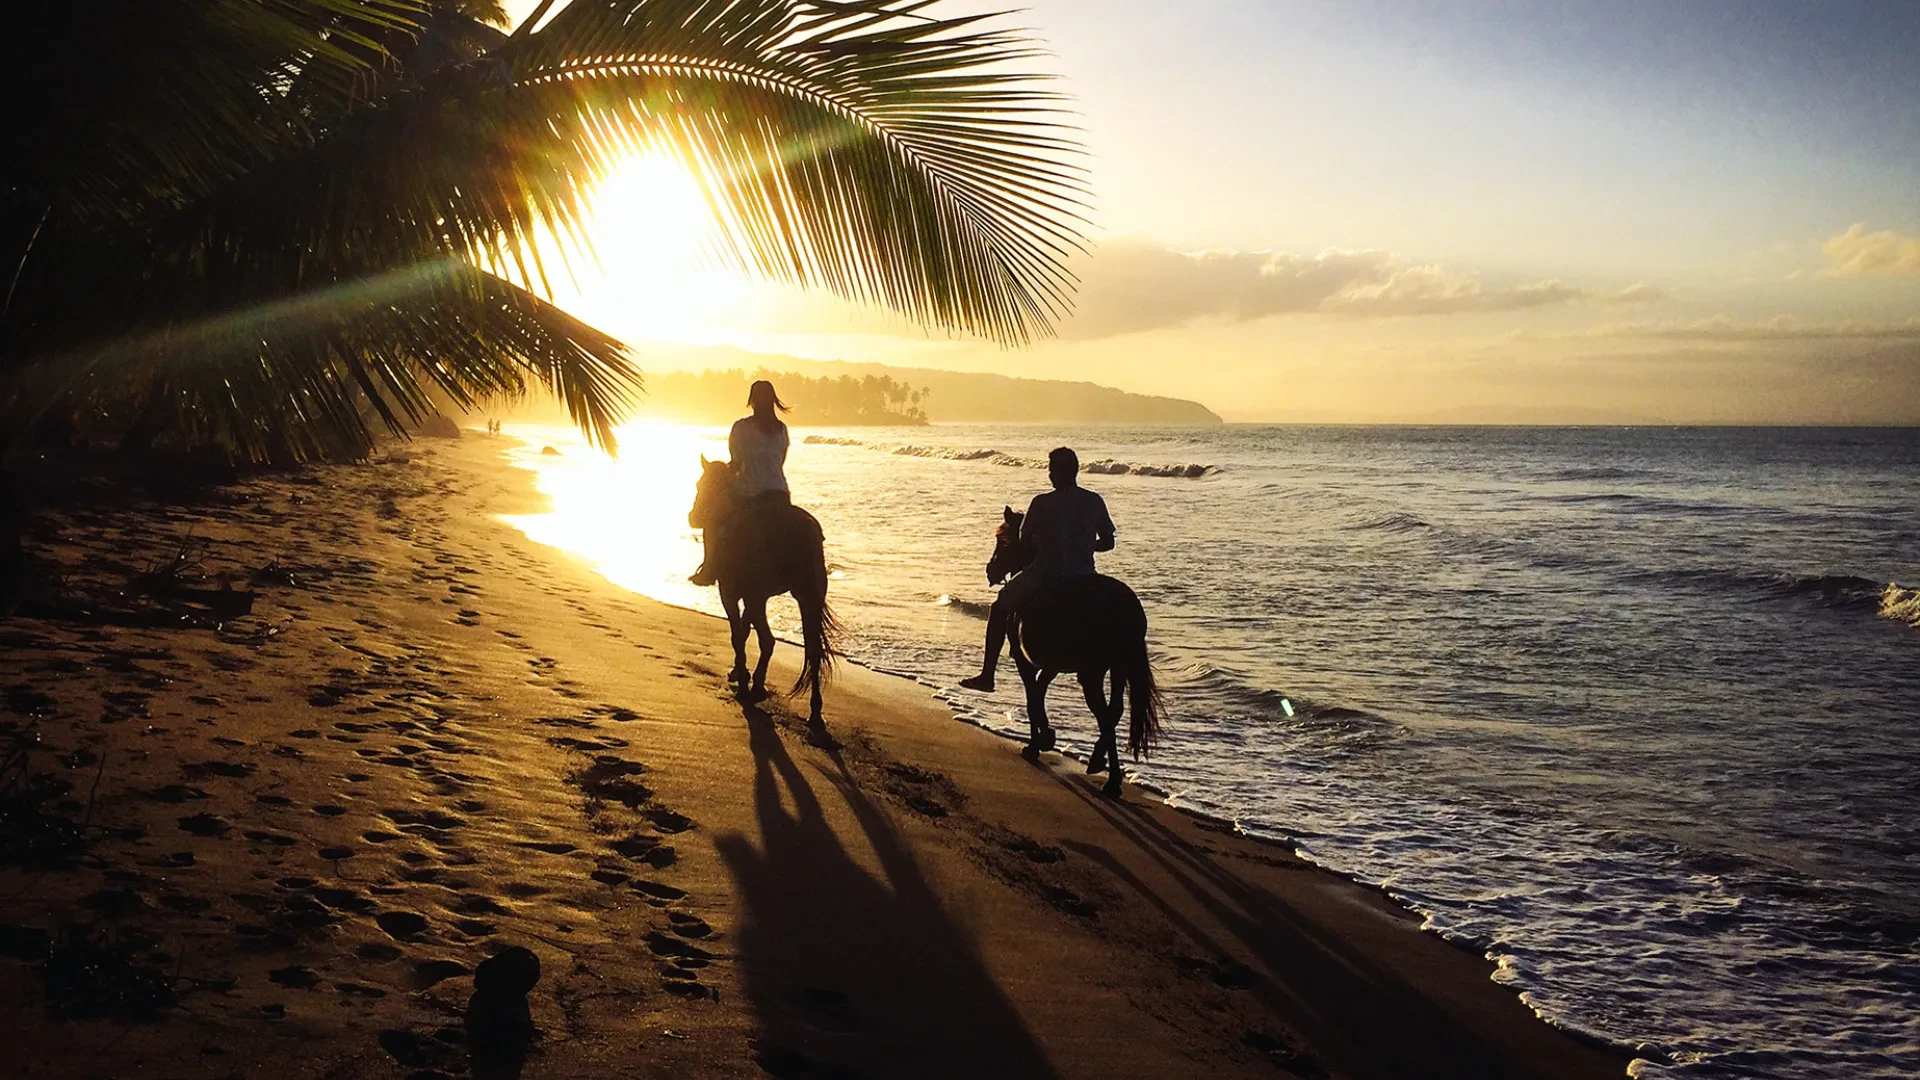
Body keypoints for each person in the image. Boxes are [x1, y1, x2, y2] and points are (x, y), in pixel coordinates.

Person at [959, 446, 1115, 692]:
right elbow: (1108, 543)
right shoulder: (1094, 500)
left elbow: (1024, 542)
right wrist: (1083, 547)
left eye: (1051, 470)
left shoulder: (1041, 503)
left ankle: (987, 675)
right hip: (1085, 578)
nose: (1050, 475)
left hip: (1046, 576)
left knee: (999, 607)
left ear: (1060, 472)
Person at [690, 380, 791, 587]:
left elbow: (736, 463)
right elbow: (780, 461)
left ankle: (709, 568)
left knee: (712, 520)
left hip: (749, 492)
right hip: (780, 493)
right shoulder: (782, 429)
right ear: (773, 400)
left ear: (752, 401)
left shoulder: (742, 427)